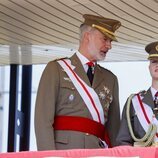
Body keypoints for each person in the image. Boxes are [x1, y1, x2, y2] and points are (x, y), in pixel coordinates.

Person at [35, 14, 121, 150]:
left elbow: (114, 131)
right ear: (87, 36)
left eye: (110, 41)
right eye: (105, 39)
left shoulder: (111, 79)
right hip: (64, 152)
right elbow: (43, 121)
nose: (109, 45)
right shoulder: (56, 69)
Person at [116, 41, 158, 147]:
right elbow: (123, 141)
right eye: (154, 61)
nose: (157, 65)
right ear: (149, 67)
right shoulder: (134, 102)